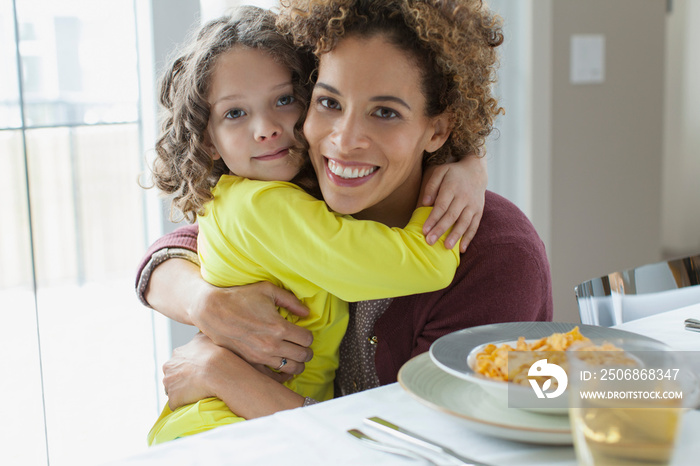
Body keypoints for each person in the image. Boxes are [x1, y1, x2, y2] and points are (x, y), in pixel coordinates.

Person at [136, 0, 552, 430]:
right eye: (329, 103)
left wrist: (220, 372)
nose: (345, 140)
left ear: (438, 129)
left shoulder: (498, 261)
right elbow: (183, 242)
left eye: (386, 112)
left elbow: (420, 447)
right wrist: (201, 300)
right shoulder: (312, 192)